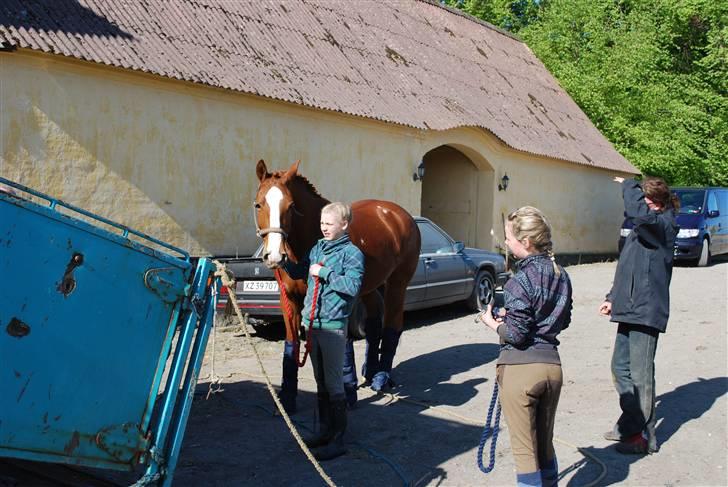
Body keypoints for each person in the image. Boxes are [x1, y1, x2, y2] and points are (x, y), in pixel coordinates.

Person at [479, 206, 572, 487]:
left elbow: (516, 336)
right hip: (552, 369)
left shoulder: (518, 281)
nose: (506, 243)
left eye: (509, 237)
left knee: (525, 455)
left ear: (526, 242)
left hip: (521, 372)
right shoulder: (561, 275)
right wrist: (520, 316)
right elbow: (563, 319)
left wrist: (492, 323)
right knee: (545, 449)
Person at [599, 176, 678, 454]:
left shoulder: (662, 227)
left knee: (641, 376)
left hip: (646, 311)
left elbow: (638, 214)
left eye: (643, 200)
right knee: (620, 368)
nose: (636, 209)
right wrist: (612, 298)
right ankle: (630, 423)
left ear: (655, 203)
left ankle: (644, 437)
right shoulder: (642, 229)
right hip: (629, 308)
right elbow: (627, 267)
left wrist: (629, 184)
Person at [283, 201, 365, 461]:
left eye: (329, 224)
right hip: (313, 325)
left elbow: (352, 287)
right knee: (320, 383)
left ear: (344, 225)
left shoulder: (352, 254)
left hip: (332, 326)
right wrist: (282, 259)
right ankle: (324, 432)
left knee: (333, 383)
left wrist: (326, 273)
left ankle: (338, 440)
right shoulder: (318, 247)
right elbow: (299, 271)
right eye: (322, 223)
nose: (324, 228)